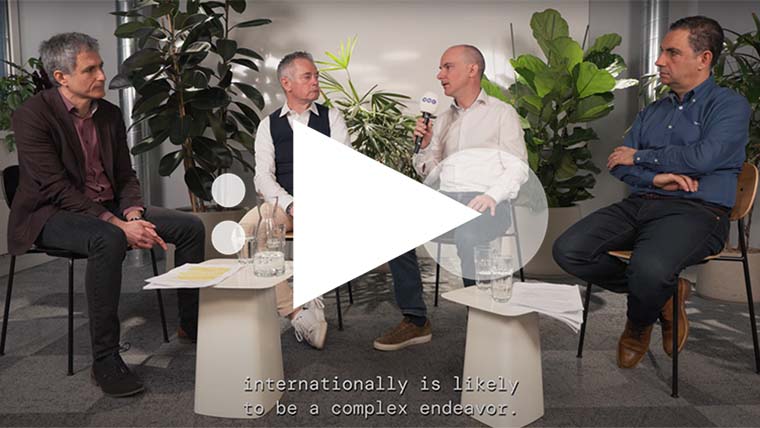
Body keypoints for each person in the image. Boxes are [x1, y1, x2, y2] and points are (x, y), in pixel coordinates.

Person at [8, 33, 205, 397]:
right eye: (90, 69)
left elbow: (125, 175)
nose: (102, 75)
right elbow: (55, 188)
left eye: (100, 66)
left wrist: (132, 213)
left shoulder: (109, 114)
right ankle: (105, 359)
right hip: (50, 213)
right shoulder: (32, 116)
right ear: (60, 76)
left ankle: (191, 325)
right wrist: (117, 225)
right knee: (108, 238)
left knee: (190, 227)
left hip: (110, 206)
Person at [553, 16, 751, 369]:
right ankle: (665, 294)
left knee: (650, 268)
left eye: (672, 53)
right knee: (569, 250)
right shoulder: (652, 112)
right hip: (642, 202)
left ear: (704, 59)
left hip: (699, 211)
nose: (660, 61)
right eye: (661, 52)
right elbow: (618, 164)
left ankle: (638, 324)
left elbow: (704, 157)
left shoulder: (729, 105)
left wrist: (642, 158)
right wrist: (657, 179)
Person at [373, 44, 528, 351]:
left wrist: (492, 195)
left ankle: (482, 319)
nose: (439, 74)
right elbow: (431, 174)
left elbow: (518, 167)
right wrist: (425, 147)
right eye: (440, 68)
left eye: (447, 67)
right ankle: (415, 320)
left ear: (472, 69)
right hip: (448, 199)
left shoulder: (501, 114)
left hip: (490, 203)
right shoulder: (442, 119)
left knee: (469, 234)